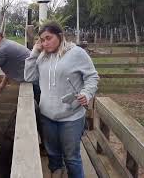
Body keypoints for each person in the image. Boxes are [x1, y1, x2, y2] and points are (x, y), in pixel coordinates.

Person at [24, 21, 99, 178]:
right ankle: (56, 173)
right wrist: (34, 52)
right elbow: (29, 77)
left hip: (71, 116)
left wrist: (86, 94)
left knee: (72, 158)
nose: (45, 43)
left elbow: (92, 76)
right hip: (47, 116)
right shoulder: (42, 56)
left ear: (60, 35)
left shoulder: (76, 53)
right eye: (42, 40)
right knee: (53, 155)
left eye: (48, 38)